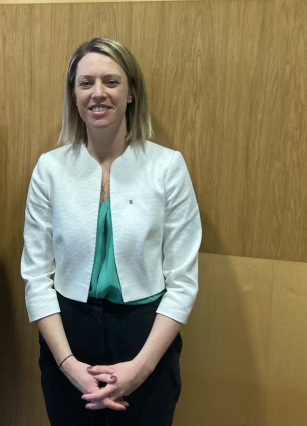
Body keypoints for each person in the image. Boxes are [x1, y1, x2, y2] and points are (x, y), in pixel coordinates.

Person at [21, 37, 201, 426]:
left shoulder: (168, 167)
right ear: (73, 94)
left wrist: (141, 367)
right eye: (86, 83)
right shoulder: (50, 170)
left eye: (111, 81)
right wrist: (68, 365)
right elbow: (36, 277)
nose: (97, 93)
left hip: (147, 335)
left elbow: (183, 282)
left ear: (132, 91)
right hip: (67, 334)